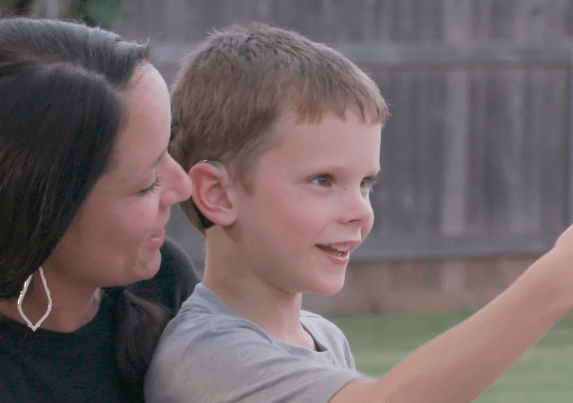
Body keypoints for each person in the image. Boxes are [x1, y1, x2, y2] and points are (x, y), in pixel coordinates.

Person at [144, 23, 573, 403]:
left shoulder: (323, 336)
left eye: (366, 183)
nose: (360, 212)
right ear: (218, 194)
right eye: (323, 180)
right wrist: (551, 285)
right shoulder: (204, 354)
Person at [0, 17, 198, 402]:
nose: (183, 186)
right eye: (146, 184)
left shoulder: (162, 283)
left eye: (167, 149)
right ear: (37, 217)